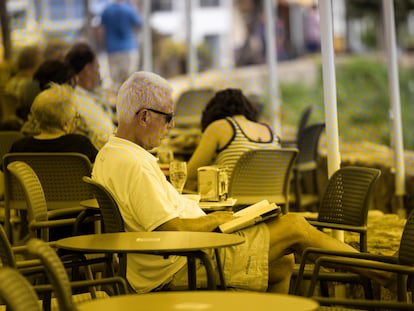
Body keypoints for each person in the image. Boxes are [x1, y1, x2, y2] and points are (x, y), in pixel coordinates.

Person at [92, 71, 393, 294]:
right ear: (144, 116)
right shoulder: (136, 164)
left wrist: (206, 213)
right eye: (168, 117)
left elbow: (164, 215)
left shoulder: (110, 154)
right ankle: (386, 275)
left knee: (280, 266)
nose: (171, 126)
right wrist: (219, 220)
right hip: (182, 262)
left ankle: (368, 269)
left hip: (167, 260)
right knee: (295, 227)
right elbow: (170, 228)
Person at [186, 88, 280, 191]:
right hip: (270, 204)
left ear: (213, 111)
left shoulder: (219, 126)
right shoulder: (269, 130)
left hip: (233, 204)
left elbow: (190, 174)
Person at [64, 42, 115, 149]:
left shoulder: (72, 96)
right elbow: (105, 132)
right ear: (87, 70)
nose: (99, 74)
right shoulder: (77, 100)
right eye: (97, 68)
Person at [100, 0, 143, 86]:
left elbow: (101, 30)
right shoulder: (129, 9)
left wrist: (103, 45)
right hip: (128, 49)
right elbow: (139, 23)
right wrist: (135, 5)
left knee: (116, 83)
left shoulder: (106, 10)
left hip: (112, 50)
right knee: (130, 82)